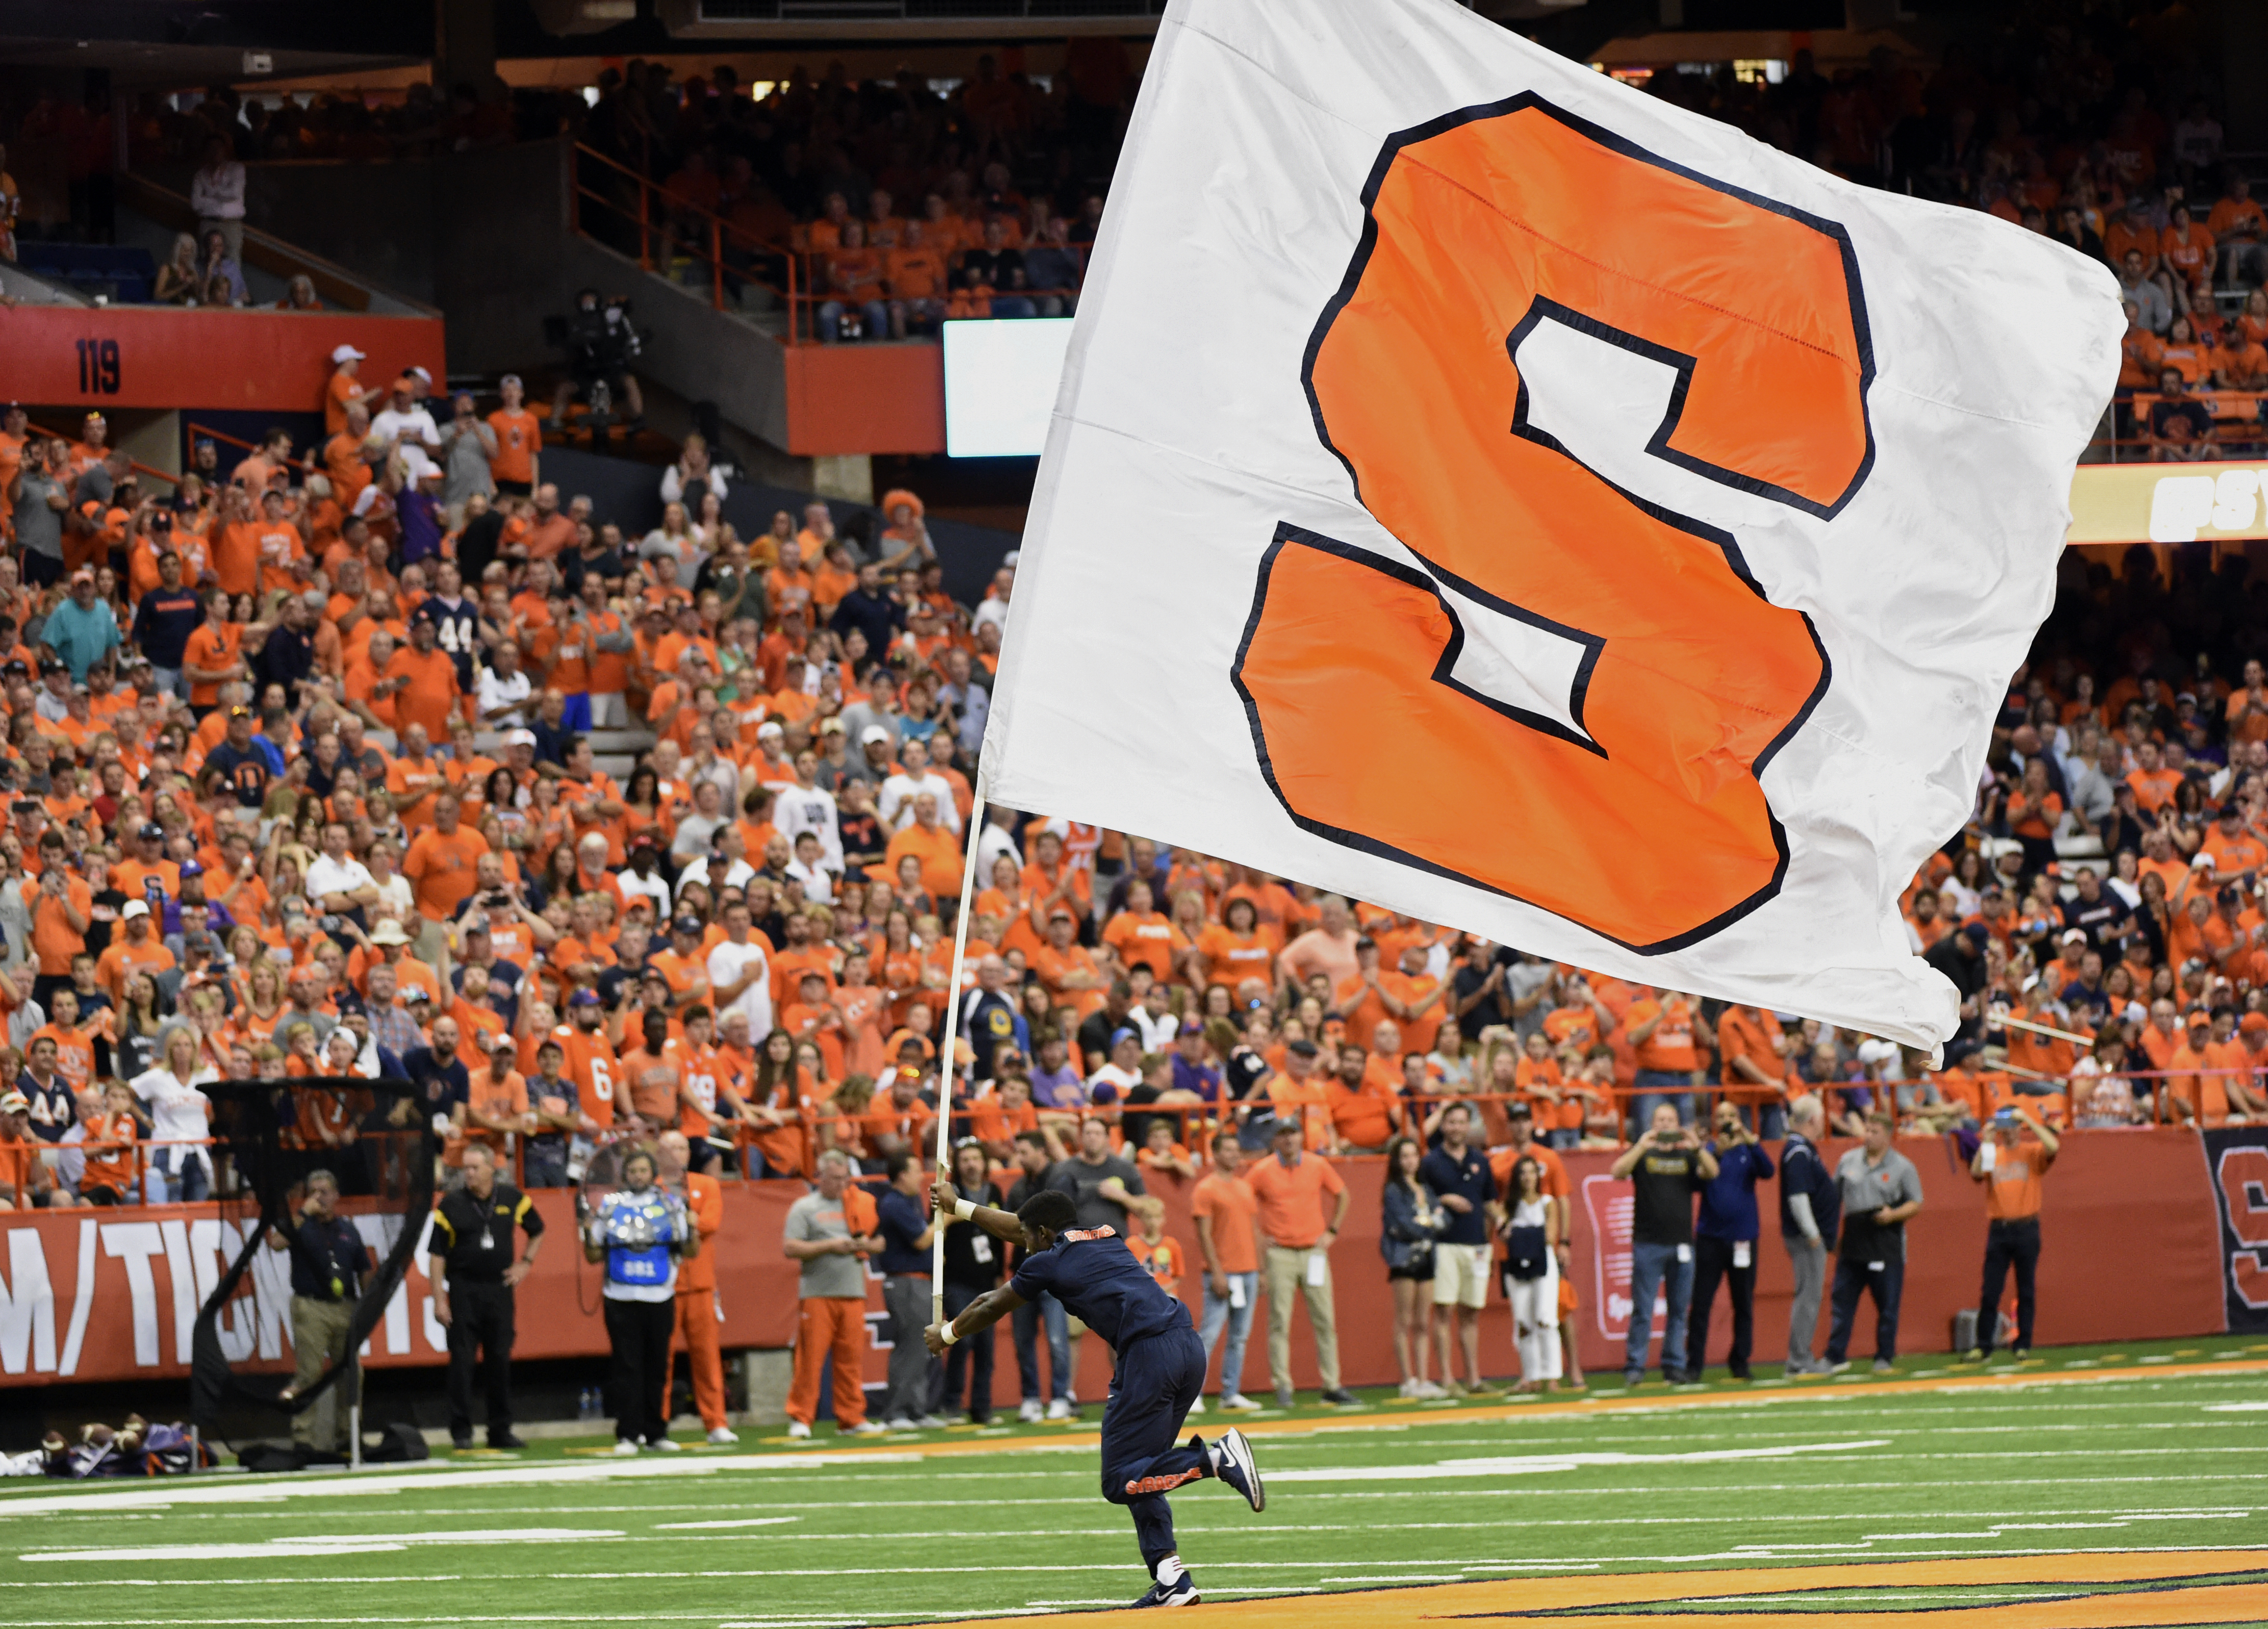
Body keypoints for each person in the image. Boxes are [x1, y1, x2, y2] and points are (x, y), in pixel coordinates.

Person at [924, 1180, 1267, 1608]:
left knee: (1120, 1480)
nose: (1024, 1243)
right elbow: (1020, 1227)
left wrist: (948, 1333)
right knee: (1145, 1471)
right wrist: (961, 1207)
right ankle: (1170, 1578)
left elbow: (991, 1303)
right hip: (1185, 1345)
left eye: (1031, 1238)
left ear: (1045, 1235)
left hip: (1148, 1355)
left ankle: (1216, 1459)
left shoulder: (1048, 1262)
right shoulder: (1105, 1233)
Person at [582, 1144, 700, 1453]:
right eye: (632, 1171)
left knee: (658, 1367)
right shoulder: (609, 1206)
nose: (637, 1176)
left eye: (643, 1170)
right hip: (620, 1296)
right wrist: (587, 1233)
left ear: (653, 1174)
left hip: (660, 1295)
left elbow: (690, 1252)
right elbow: (593, 1255)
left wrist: (693, 1229)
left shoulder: (672, 1205)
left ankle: (656, 1433)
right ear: (624, 1175)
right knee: (626, 1367)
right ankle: (627, 1434)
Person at [427, 1141, 544, 1450]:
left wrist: (525, 1264)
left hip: (500, 1288)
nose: (469, 1173)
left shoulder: (512, 1198)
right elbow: (437, 1256)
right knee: (462, 1363)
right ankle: (461, 1432)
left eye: (475, 1167)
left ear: (493, 1168)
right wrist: (439, 1298)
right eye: (466, 1167)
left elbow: (538, 1229)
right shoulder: (451, 1205)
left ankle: (500, 1430)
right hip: (464, 1288)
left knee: (500, 1361)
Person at [1245, 1117, 1355, 1407]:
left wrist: (1332, 1231)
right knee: (1280, 1321)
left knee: (1325, 1319)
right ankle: (1283, 1385)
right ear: (1275, 1140)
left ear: (1302, 1136)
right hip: (1280, 1251)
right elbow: (1244, 1203)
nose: (1289, 1140)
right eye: (1283, 1135)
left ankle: (1332, 1384)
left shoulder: (1317, 1164)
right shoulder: (1263, 1170)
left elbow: (1343, 1195)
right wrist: (1259, 1238)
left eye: (1293, 1133)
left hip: (1313, 1250)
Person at [265, 1168, 372, 1458]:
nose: (320, 1197)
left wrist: (367, 1305)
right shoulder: (301, 1224)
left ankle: (348, 1435)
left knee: (351, 1373)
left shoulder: (348, 1229)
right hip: (311, 1305)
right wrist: (302, 1212)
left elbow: (364, 1267)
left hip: (346, 1307)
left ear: (337, 1195)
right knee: (309, 1373)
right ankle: (304, 1438)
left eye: (325, 1191)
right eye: (314, 1192)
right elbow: (276, 1242)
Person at [1610, 1101, 1717, 1387]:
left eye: (1670, 1120)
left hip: (1681, 1243)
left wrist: (1696, 1147)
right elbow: (1617, 1171)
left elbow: (1712, 1172)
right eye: (1660, 1120)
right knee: (1643, 1310)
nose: (1665, 1125)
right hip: (1648, 1244)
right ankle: (1635, 1366)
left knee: (1679, 1310)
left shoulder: (1687, 1156)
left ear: (1678, 1124)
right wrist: (1641, 1147)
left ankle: (1674, 1364)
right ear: (1652, 1124)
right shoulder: (1644, 1155)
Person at [782, 1148, 887, 1439]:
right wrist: (829, 1246)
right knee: (810, 1361)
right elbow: (790, 1247)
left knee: (851, 1360)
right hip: (818, 1293)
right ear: (820, 1177)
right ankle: (801, 1417)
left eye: (845, 1178)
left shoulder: (859, 1203)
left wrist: (863, 1245)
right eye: (835, 1178)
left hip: (853, 1291)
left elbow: (881, 1241)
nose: (842, 1184)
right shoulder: (805, 1207)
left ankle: (851, 1416)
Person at [1821, 1112, 1925, 1375]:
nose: (1868, 1136)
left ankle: (1884, 1357)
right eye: (1867, 1130)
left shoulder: (1903, 1166)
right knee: (1842, 1302)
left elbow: (1916, 1202)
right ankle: (1835, 1356)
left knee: (1888, 1305)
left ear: (1888, 1135)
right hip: (1854, 1238)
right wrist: (1833, 1237)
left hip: (1885, 1239)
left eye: (1875, 1132)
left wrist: (1893, 1215)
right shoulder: (1848, 1161)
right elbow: (1833, 1200)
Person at [1685, 1098, 1774, 1381]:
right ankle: (1694, 1365)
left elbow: (1768, 1172)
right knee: (1701, 1304)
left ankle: (1740, 1361)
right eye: (1720, 1116)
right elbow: (1696, 1183)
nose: (1725, 1121)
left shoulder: (1749, 1149)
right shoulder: (1709, 1151)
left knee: (1743, 1304)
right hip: (1711, 1237)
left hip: (1743, 1239)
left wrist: (1752, 1140)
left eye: (1731, 1116)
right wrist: (1716, 1153)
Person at [1962, 1106, 2059, 1363]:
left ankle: (2023, 1344)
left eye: (2011, 1126)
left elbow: (2053, 1146)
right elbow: (1975, 1174)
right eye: (2004, 1127)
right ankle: (1984, 1346)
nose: (2008, 1132)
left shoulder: (2031, 1151)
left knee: (2026, 1288)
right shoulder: (1994, 1153)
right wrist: (1986, 1141)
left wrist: (2028, 1119)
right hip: (2000, 1228)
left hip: (2027, 1226)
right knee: (1990, 1290)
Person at [658, 1128, 736, 1444]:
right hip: (664, 1287)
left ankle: (716, 1422)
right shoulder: (652, 1188)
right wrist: (686, 1223)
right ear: (659, 1154)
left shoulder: (706, 1185)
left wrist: (680, 1225)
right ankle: (657, 1423)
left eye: (682, 1148)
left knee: (707, 1358)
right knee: (660, 1360)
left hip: (702, 1285)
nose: (677, 1154)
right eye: (671, 1148)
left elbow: (710, 1223)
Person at [1419, 1101, 1496, 1396]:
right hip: (1445, 1243)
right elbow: (1421, 1200)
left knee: (1471, 1312)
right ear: (1443, 1125)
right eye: (1451, 1122)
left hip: (1476, 1242)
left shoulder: (1480, 1160)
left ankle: (1473, 1378)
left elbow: (1489, 1201)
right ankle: (1449, 1378)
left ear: (1469, 1126)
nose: (1456, 1128)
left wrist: (1501, 1222)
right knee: (1444, 1311)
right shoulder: (1431, 1162)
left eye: (1461, 1122)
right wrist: (1445, 1200)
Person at [1190, 1130, 1266, 1413]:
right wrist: (1217, 1271)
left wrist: (1262, 1269)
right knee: (1208, 1335)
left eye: (1237, 1149)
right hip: (1224, 1272)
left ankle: (1230, 1392)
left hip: (1248, 1270)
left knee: (1240, 1336)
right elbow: (1205, 1235)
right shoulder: (1206, 1189)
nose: (1235, 1154)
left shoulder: (1245, 1187)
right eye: (1229, 1150)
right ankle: (1192, 1394)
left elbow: (1254, 1229)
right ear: (1216, 1154)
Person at [876, 1151, 946, 1429]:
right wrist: (948, 1218)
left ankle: (916, 1408)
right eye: (916, 1171)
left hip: (917, 1281)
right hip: (906, 1282)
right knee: (911, 1344)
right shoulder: (895, 1204)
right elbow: (920, 1240)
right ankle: (897, 1411)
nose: (921, 1177)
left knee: (920, 1347)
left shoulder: (909, 1202)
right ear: (902, 1175)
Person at [938, 1137, 1004, 1425]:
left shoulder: (995, 1191)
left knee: (986, 1348)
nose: (971, 1164)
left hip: (987, 1279)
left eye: (976, 1158)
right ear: (957, 1165)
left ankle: (982, 1407)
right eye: (965, 1159)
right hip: (957, 1279)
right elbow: (938, 1231)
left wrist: (1000, 1271)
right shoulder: (951, 1193)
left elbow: (1002, 1234)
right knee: (962, 1339)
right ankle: (952, 1404)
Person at [1380, 1132, 1447, 1398]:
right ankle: (1407, 1379)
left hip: (1427, 1255)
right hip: (1405, 1256)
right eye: (1404, 1156)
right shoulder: (1394, 1190)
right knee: (1404, 1320)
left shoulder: (1426, 1189)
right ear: (1397, 1161)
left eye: (1413, 1155)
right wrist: (1429, 1224)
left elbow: (1443, 1217)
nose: (1410, 1161)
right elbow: (1402, 1225)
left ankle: (1422, 1377)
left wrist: (1428, 1223)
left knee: (1423, 1320)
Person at [1777, 1095, 1838, 1377]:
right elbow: (1798, 1196)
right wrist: (1813, 1232)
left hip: (1809, 1236)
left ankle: (1801, 1357)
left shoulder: (1800, 1150)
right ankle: (1799, 1360)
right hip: (1806, 1238)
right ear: (1813, 1120)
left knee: (1810, 1295)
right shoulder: (1799, 1152)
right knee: (1809, 1297)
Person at [1500, 1153, 1562, 1392]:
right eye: (1522, 1173)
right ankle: (1531, 1375)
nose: (1527, 1178)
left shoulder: (1547, 1203)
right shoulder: (1511, 1205)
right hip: (1517, 1264)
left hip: (1542, 1262)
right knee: (1523, 1320)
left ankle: (1552, 1375)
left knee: (1545, 1317)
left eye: (1531, 1172)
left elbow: (1549, 1236)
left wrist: (1517, 1235)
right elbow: (1502, 1230)